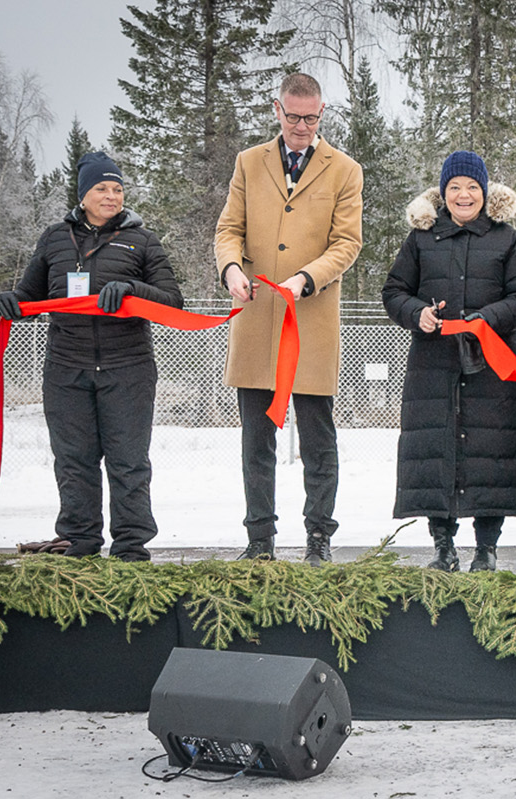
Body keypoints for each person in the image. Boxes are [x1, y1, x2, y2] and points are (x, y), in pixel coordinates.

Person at [0, 152, 183, 561]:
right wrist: (10, 301)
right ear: (83, 196)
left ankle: (131, 547)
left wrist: (132, 288)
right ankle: (79, 542)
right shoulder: (55, 238)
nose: (111, 196)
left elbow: (173, 302)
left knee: (128, 463)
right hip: (66, 367)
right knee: (74, 461)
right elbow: (30, 295)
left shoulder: (142, 240)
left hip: (127, 368)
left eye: (117, 188)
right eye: (101, 188)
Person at [215, 72, 364, 565]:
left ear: (323, 113)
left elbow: (347, 243)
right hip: (256, 317)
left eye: (312, 117)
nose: (303, 126)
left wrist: (306, 277)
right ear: (276, 110)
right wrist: (231, 267)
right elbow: (228, 229)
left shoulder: (345, 170)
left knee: (319, 441)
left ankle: (318, 537)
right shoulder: (247, 162)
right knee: (256, 441)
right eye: (294, 116)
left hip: (311, 320)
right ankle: (260, 540)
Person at [382, 151, 516, 572]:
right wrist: (418, 314)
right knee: (437, 449)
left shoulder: (508, 239)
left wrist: (487, 319)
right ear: (442, 193)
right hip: (435, 367)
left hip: (492, 367)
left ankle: (487, 548)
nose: (463, 195)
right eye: (454, 188)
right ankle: (442, 545)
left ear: (485, 193)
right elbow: (394, 292)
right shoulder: (420, 240)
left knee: (493, 452)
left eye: (471, 187)